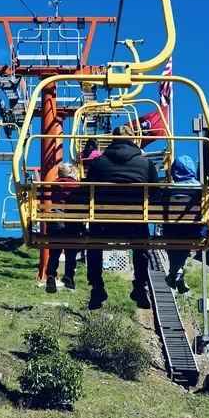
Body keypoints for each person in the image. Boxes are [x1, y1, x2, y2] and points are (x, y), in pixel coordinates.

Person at [85, 124, 156, 311]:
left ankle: (97, 286)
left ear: (112, 140)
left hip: (103, 225)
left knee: (93, 243)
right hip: (135, 225)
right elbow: (156, 193)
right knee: (142, 245)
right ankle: (140, 286)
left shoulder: (98, 162)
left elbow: (86, 191)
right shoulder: (146, 163)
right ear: (133, 139)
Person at [163, 154, 204, 294]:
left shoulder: (168, 189)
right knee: (185, 243)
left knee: (174, 241)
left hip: (172, 229)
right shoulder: (200, 189)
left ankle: (176, 274)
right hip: (192, 229)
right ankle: (176, 275)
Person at [46, 162, 83, 293]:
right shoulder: (78, 186)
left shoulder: (54, 184)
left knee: (54, 251)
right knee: (71, 251)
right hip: (72, 223)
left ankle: (50, 275)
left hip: (55, 221)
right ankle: (69, 276)